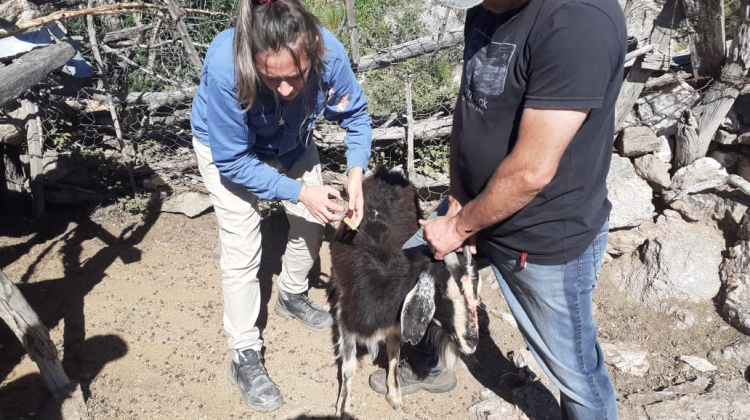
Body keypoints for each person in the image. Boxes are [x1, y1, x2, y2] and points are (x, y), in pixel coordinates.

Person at [369, 0, 626, 419]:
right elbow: (469, 106)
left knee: (574, 371)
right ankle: (430, 365)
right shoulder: (488, 11)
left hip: (541, 234)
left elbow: (531, 171)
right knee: (412, 271)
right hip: (471, 205)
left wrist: (457, 228)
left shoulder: (578, 22)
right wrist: (456, 195)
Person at [190, 0, 371, 412]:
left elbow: (356, 116)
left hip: (292, 141)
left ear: (313, 52)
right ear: (254, 61)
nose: (287, 89)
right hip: (228, 149)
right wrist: (300, 191)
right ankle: (244, 353)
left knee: (312, 224)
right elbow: (233, 160)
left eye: (297, 77)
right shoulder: (226, 68)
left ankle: (291, 294)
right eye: (273, 80)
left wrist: (356, 170)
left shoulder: (331, 56)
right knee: (242, 246)